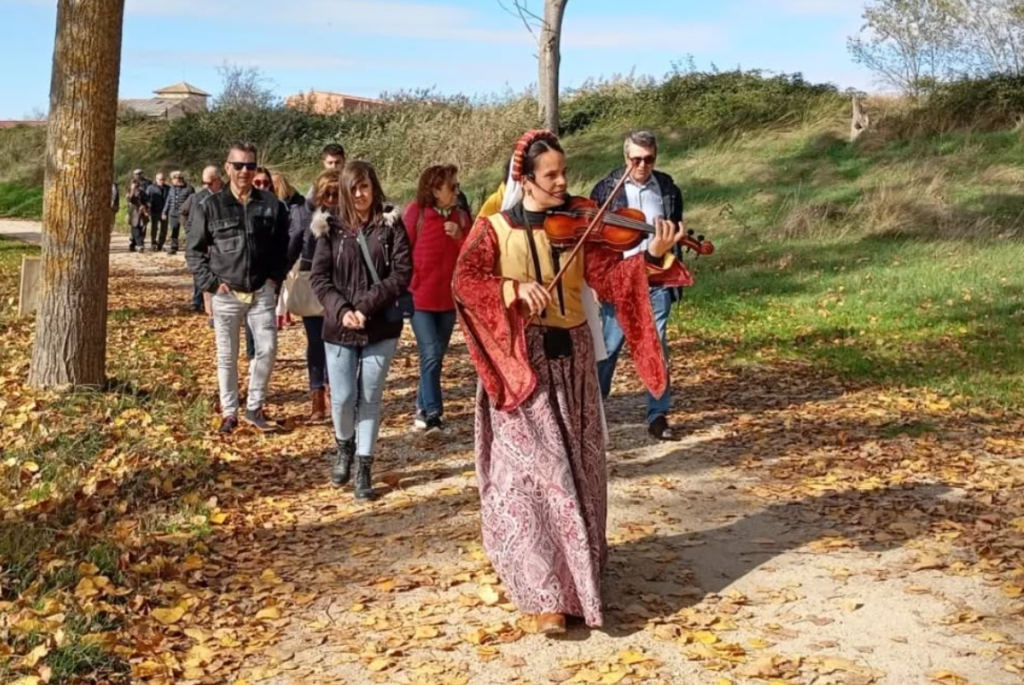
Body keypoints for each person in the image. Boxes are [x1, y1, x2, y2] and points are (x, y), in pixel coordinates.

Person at [452, 130, 692, 633]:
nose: (562, 182)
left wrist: (653, 257)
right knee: (532, 476)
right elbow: (465, 281)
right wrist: (513, 289)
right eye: (551, 175)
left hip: (575, 356)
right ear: (526, 179)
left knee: (577, 468)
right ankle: (545, 596)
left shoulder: (583, 221)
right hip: (521, 360)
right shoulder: (494, 228)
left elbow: (612, 278)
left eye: (564, 172)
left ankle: (579, 580)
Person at [310, 161, 412, 500]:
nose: (359, 194)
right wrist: (342, 311)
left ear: (374, 187)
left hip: (380, 325)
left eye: (365, 186)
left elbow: (400, 274)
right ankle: (344, 447)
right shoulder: (329, 227)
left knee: (369, 397)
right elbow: (320, 278)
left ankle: (364, 468)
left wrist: (365, 307)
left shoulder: (391, 224)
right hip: (338, 328)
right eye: (353, 188)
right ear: (343, 190)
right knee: (341, 399)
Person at [186, 142, 290, 434]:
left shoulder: (272, 205)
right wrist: (210, 284)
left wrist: (274, 279)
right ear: (227, 167)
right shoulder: (210, 205)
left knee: (267, 349)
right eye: (239, 165)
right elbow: (194, 251)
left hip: (261, 291)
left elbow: (284, 247)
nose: (245, 171)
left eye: (251, 165)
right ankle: (229, 412)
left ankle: (254, 407)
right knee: (227, 355)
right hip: (226, 292)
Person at [591, 130, 686, 441]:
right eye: (636, 159)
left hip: (656, 279)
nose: (642, 165)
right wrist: (595, 280)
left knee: (656, 346)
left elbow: (673, 234)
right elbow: (593, 241)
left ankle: (658, 415)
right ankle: (593, 411)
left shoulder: (668, 188)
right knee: (608, 348)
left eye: (649, 159)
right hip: (620, 279)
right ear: (625, 157)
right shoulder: (606, 189)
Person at [402, 164, 470, 434]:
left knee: (435, 357)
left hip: (448, 301)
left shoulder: (461, 218)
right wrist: (407, 286)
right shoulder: (415, 214)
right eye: (451, 187)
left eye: (457, 186)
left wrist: (459, 237)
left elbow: (472, 257)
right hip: (420, 300)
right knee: (429, 353)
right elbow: (401, 252)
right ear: (434, 189)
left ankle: (420, 408)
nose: (456, 192)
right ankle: (433, 414)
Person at [287, 170, 337, 423]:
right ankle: (317, 394)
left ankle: (333, 393)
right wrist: (277, 281)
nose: (331, 198)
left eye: (336, 194)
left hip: (339, 284)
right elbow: (292, 247)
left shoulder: (347, 215)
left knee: (336, 341)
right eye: (327, 193)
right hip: (310, 281)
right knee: (316, 341)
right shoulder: (303, 213)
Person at [182, 166, 223, 314]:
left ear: (219, 180)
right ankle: (201, 304)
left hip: (220, 243)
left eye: (210, 183)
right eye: (204, 182)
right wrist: (190, 230)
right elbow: (184, 213)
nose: (207, 186)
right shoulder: (197, 197)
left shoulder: (228, 195)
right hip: (202, 241)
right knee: (202, 270)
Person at [163, 171, 194, 255]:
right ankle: (174, 247)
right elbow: (168, 201)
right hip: (172, 213)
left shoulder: (189, 188)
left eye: (173, 179)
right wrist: (164, 212)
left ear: (178, 179)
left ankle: (191, 248)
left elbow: (193, 202)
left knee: (188, 231)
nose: (172, 181)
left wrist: (191, 213)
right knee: (174, 231)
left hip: (184, 214)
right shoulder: (171, 188)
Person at [147, 172, 169, 251]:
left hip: (164, 211)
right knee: (154, 228)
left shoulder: (168, 188)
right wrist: (148, 209)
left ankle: (161, 244)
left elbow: (169, 200)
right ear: (156, 180)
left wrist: (166, 211)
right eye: (160, 179)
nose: (162, 181)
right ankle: (153, 243)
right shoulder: (150, 188)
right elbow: (147, 199)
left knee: (164, 229)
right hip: (154, 211)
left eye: (163, 179)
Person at [127, 178, 149, 253]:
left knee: (141, 229)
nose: (135, 187)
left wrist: (145, 207)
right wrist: (132, 191)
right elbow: (130, 199)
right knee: (135, 228)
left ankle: (133, 244)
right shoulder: (129, 192)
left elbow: (147, 201)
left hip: (142, 213)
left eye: (136, 186)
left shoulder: (142, 193)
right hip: (133, 213)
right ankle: (140, 245)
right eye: (133, 185)